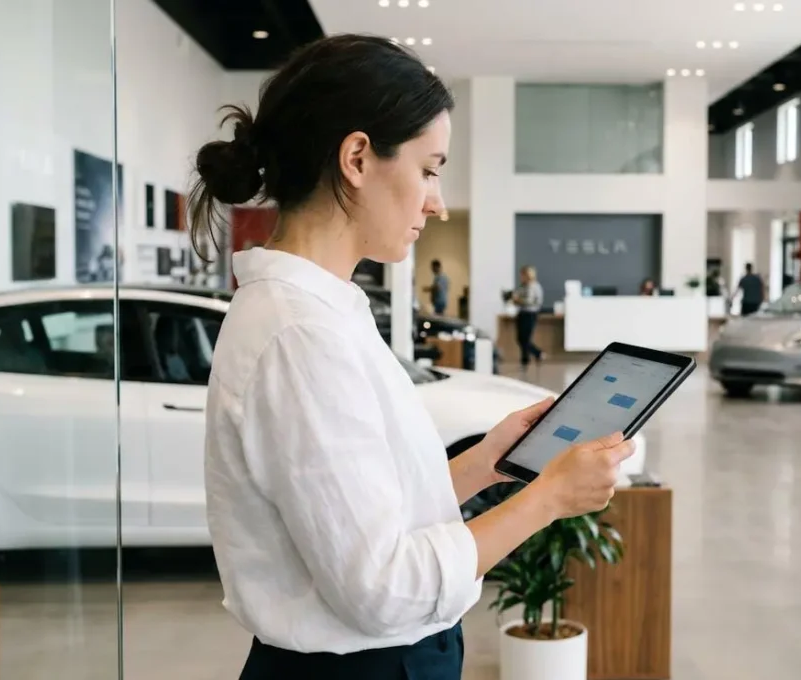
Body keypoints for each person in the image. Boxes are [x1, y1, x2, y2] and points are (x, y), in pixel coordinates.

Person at [189, 34, 633, 680]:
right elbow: (381, 584)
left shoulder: (322, 312)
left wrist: (485, 464)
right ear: (358, 158)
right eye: (429, 168)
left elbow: (366, 517)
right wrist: (549, 499)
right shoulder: (299, 336)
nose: (438, 200)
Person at [511, 265, 545, 367]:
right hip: (522, 313)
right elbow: (518, 298)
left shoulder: (535, 286)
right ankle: (526, 358)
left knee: (525, 338)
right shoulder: (523, 286)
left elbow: (531, 301)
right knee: (520, 338)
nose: (521, 277)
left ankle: (536, 354)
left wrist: (519, 300)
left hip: (530, 314)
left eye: (523, 275)